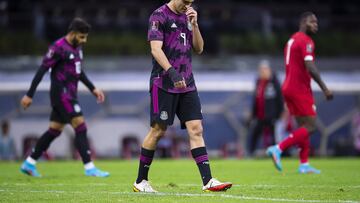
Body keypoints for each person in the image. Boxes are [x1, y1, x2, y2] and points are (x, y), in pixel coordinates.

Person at [133, 0, 232, 192]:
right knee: (158, 131)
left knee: (196, 129)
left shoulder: (188, 16)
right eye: (185, 1)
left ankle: (208, 180)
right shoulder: (158, 15)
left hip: (187, 83)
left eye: (191, 1)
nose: (187, 4)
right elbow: (155, 49)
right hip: (163, 82)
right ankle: (141, 181)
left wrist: (194, 25)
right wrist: (172, 72)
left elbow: (199, 48)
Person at [20, 18, 109, 178]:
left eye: (85, 37)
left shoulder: (78, 47)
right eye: (82, 37)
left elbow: (78, 71)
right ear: (73, 33)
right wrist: (29, 94)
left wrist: (93, 89)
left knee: (54, 130)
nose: (84, 40)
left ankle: (29, 163)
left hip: (70, 94)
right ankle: (89, 167)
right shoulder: (58, 47)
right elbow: (42, 70)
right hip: (62, 94)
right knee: (80, 127)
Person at [266, 12, 333, 174]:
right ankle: (278, 148)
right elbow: (310, 66)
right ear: (303, 22)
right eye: (312, 22)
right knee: (310, 126)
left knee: (304, 126)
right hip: (299, 88)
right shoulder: (306, 41)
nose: (316, 25)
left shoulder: (292, 39)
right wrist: (325, 88)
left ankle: (304, 164)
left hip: (288, 86)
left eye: (317, 22)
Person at [248, 60, 283, 156]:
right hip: (260, 115)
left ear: (269, 70)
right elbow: (256, 99)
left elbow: (280, 98)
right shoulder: (258, 81)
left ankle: (277, 154)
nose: (262, 72)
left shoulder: (274, 81)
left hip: (272, 115)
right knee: (255, 133)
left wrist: (280, 114)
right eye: (261, 70)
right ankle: (250, 153)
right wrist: (253, 113)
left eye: (264, 70)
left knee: (274, 136)